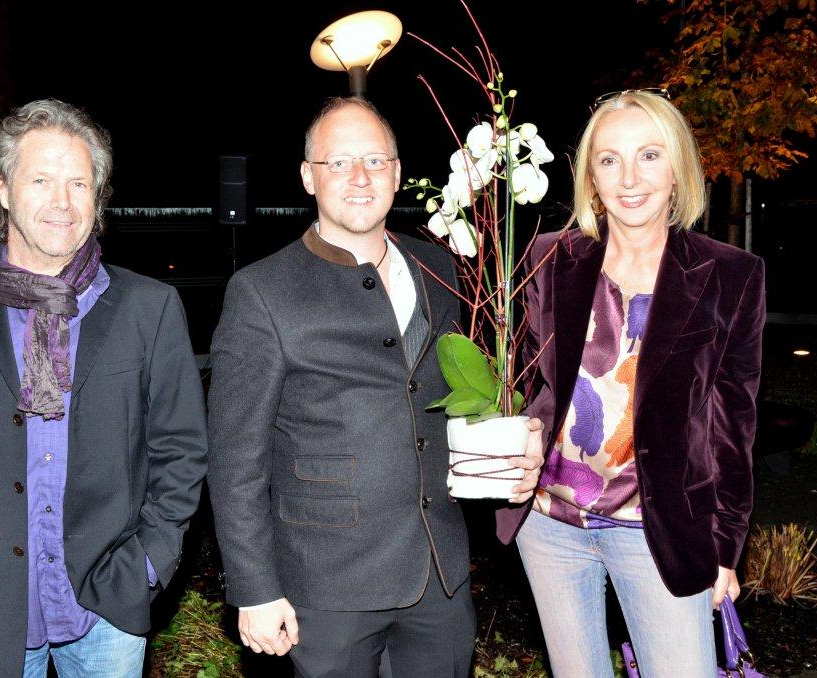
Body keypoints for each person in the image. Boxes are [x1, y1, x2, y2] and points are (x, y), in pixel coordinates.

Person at [207, 96, 543, 677]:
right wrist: (255, 588)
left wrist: (510, 444)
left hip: (438, 573)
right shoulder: (261, 291)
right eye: (338, 162)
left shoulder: (439, 270)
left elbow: (451, 397)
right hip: (325, 584)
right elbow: (235, 458)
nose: (360, 177)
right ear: (308, 177)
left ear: (397, 171)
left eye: (375, 160)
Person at [0, 99, 208, 678]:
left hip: (107, 609)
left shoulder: (149, 308)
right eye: (41, 180)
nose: (63, 202)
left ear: (97, 197)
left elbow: (182, 451)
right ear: (2, 189)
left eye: (79, 183)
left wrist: (148, 562)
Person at [496, 89, 765, 677]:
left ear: (678, 167)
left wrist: (726, 547)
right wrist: (516, 440)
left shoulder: (730, 274)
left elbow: (734, 427)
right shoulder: (548, 258)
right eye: (609, 159)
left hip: (660, 530)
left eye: (649, 155)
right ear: (591, 177)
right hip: (549, 524)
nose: (629, 178)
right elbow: (524, 385)